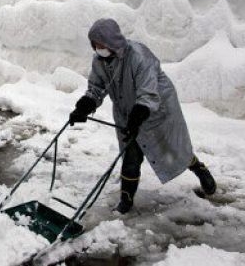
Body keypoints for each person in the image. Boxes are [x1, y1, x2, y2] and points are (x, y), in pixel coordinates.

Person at [70, 18, 217, 214]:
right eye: (95, 44)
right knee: (131, 155)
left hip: (156, 110)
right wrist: (84, 106)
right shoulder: (99, 61)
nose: (98, 48)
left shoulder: (139, 56)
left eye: (101, 44)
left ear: (112, 42)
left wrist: (138, 115)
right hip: (126, 112)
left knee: (173, 149)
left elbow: (148, 93)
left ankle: (199, 169)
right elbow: (96, 88)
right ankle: (126, 201)